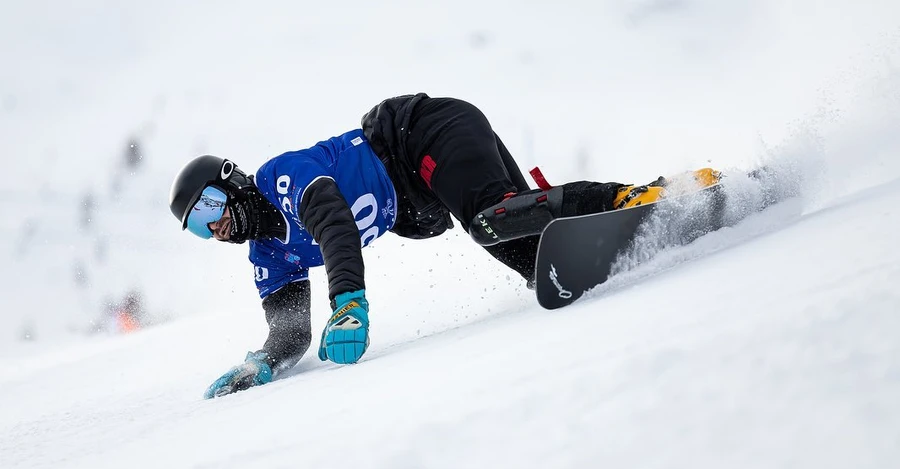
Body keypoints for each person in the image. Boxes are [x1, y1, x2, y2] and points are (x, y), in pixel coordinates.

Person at [169, 93, 720, 399]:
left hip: (421, 135)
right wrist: (265, 361)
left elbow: (334, 224)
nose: (214, 227)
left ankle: (643, 195)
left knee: (487, 220)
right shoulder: (267, 256)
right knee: (533, 256)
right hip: (425, 190)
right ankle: (660, 224)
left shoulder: (280, 179)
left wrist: (350, 304)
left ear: (233, 181)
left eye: (211, 207)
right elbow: (291, 332)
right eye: (199, 226)